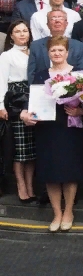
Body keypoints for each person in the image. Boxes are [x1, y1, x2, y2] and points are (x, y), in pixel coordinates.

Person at [21, 36, 83, 232]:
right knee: (50, 172)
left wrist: (80, 111)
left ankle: (69, 211)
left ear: (67, 52)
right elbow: (32, 101)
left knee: (69, 171)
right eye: (53, 50)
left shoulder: (78, 75)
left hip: (70, 127)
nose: (57, 53)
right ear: (48, 53)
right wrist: (26, 114)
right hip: (47, 128)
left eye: (60, 50)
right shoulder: (41, 75)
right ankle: (57, 213)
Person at [0, 20, 35, 202]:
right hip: (16, 99)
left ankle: (30, 186)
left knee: (32, 150)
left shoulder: (35, 52)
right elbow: (2, 81)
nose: (22, 34)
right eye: (18, 31)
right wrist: (1, 105)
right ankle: (21, 186)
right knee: (20, 149)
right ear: (11, 36)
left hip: (34, 98)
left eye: (25, 31)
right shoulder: (7, 56)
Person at [27, 10, 83, 82]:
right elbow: (31, 74)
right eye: (53, 18)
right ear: (47, 24)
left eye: (60, 18)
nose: (57, 21)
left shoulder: (79, 46)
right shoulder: (36, 46)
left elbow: (81, 74)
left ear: (66, 24)